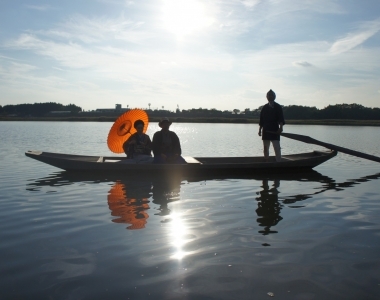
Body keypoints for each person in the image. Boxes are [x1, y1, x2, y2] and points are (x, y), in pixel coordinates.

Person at [258, 89, 285, 162]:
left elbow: (281, 118)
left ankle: (278, 161)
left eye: (271, 95)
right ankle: (266, 160)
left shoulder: (278, 107)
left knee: (277, 147)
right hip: (266, 130)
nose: (270, 96)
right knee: (266, 148)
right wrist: (260, 130)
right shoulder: (264, 107)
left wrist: (281, 128)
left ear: (274, 97)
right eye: (269, 95)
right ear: (267, 97)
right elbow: (261, 120)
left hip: (275, 129)